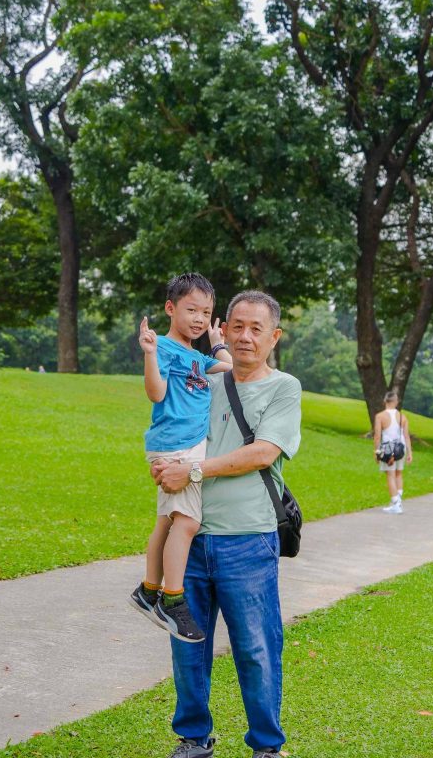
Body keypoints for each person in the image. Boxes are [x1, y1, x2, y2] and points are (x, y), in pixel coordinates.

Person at [152, 290, 301, 758]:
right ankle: (194, 738)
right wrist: (164, 462)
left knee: (256, 649)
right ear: (223, 329)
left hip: (248, 541)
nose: (245, 337)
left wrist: (194, 470)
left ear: (274, 336)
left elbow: (263, 453)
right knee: (188, 649)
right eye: (236, 326)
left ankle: (266, 746)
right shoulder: (205, 381)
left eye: (257, 328)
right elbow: (169, 417)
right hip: (192, 538)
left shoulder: (284, 388)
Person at [130, 273, 232, 644]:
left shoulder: (197, 356)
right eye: (191, 310)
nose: (200, 319)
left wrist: (218, 343)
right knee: (187, 522)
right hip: (177, 445)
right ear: (170, 309)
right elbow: (156, 394)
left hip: (182, 445)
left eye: (206, 312)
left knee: (166, 521)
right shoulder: (168, 349)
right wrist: (150, 353)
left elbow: (230, 370)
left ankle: (149, 589)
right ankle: (172, 601)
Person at [373, 390, 412, 514]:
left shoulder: (380, 416)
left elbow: (377, 436)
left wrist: (377, 452)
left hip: (388, 451)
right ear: (396, 402)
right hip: (400, 449)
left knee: (390, 475)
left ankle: (395, 503)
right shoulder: (402, 417)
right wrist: (410, 453)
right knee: (399, 474)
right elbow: (406, 436)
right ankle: (398, 501)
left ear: (385, 401)